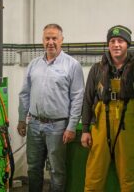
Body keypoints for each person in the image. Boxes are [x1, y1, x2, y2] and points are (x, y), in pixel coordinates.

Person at [81, 25, 134, 192]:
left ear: (127, 44)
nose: (116, 44)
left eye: (120, 41)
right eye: (112, 41)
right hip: (100, 128)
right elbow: (87, 100)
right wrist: (85, 129)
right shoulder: (97, 69)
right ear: (108, 45)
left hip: (128, 129)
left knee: (130, 177)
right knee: (94, 176)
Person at [17, 23, 85, 192]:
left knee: (57, 170)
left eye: (54, 38)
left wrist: (71, 126)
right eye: (47, 38)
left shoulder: (72, 65)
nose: (51, 42)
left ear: (61, 40)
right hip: (34, 123)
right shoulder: (33, 64)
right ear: (43, 41)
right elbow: (24, 93)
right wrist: (21, 119)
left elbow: (78, 98)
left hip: (58, 126)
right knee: (33, 168)